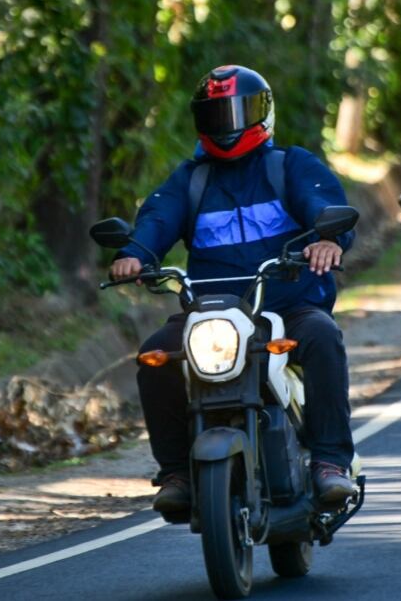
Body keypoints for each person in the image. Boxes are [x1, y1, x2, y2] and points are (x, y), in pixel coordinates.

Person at [109, 65, 356, 513]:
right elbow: (157, 218)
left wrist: (328, 239)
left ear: (263, 113)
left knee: (323, 336)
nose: (228, 124)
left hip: (287, 306)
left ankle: (330, 461)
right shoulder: (191, 179)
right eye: (216, 114)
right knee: (155, 356)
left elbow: (323, 203)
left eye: (237, 112)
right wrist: (135, 254)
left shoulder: (290, 166)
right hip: (211, 313)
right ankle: (177, 472)